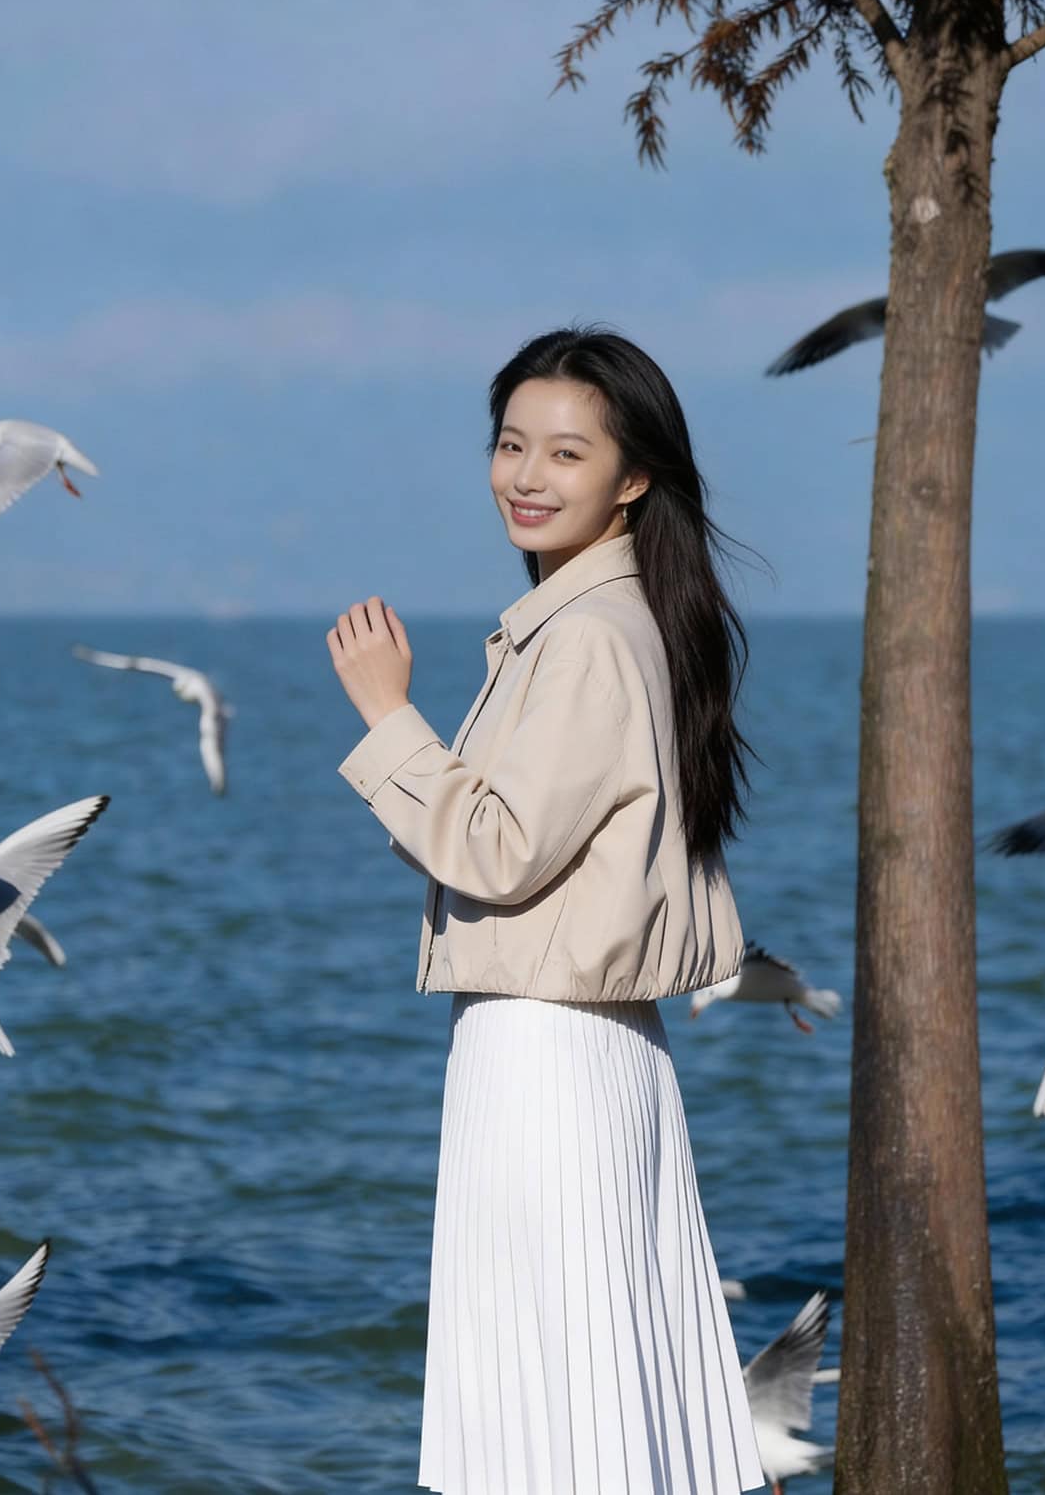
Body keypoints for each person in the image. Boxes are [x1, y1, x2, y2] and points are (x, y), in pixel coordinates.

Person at [328, 326, 764, 1494]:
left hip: (544, 1045)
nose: (524, 475)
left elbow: (496, 849)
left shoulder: (581, 640)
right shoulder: (622, 622)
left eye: (564, 453)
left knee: (550, 1398)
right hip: (595, 1044)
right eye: (510, 444)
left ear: (631, 478)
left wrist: (386, 718)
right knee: (593, 1385)